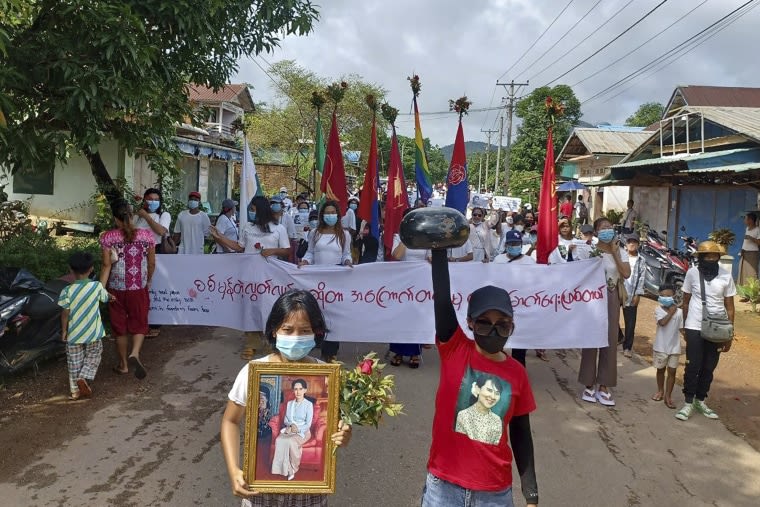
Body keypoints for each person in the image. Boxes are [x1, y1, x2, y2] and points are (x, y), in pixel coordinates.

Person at [423, 247, 538, 507]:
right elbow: (441, 298)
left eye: (503, 323)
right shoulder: (454, 349)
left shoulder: (517, 373)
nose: (494, 330)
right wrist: (440, 248)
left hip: (494, 494)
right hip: (444, 488)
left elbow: (521, 434)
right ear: (470, 323)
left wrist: (531, 494)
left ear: (512, 327)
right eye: (485, 321)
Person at [220, 290, 352, 507]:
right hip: (259, 493)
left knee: (289, 440)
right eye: (288, 330)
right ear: (274, 331)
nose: (295, 337)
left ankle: (291, 471)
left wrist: (343, 435)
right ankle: (279, 472)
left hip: (309, 495)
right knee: (283, 439)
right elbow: (230, 420)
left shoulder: (327, 375)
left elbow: (330, 426)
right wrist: (234, 470)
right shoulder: (253, 372)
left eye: (304, 331)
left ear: (316, 332)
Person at [210, 196, 291, 359]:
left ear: (261, 210)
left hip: (270, 278)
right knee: (250, 309)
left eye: (253, 210)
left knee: (269, 309)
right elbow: (239, 247)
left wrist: (272, 251)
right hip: (249, 276)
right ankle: (251, 343)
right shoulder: (247, 227)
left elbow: (287, 250)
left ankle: (271, 343)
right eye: (250, 210)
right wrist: (219, 237)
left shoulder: (278, 228)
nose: (250, 213)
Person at [676, 240, 736, 421]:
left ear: (718, 258)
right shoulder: (692, 273)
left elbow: (730, 307)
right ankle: (687, 402)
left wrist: (730, 333)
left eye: (714, 256)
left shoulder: (726, 276)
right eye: (707, 256)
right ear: (701, 257)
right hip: (694, 325)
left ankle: (700, 400)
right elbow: (685, 301)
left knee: (709, 366)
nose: (710, 259)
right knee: (692, 365)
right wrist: (685, 325)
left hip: (718, 327)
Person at [100, 200, 156, 379]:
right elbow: (152, 262)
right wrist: (146, 280)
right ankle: (135, 353)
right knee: (139, 321)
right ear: (132, 216)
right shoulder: (147, 236)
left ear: (116, 218)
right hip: (138, 286)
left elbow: (106, 265)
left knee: (119, 326)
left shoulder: (108, 237)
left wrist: (101, 289)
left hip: (116, 288)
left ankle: (123, 365)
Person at [578, 217, 630, 407]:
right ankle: (589, 383)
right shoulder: (589, 251)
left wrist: (615, 253)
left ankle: (604, 386)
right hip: (592, 299)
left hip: (612, 296)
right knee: (591, 339)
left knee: (610, 339)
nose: (607, 230)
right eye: (603, 227)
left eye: (610, 227)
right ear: (596, 231)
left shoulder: (621, 251)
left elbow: (626, 273)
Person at [299, 200, 352, 362]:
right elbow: (310, 253)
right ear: (322, 215)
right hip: (316, 278)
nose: (330, 215)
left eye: (333, 213)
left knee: (333, 315)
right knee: (315, 312)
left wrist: (348, 262)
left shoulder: (344, 235)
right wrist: (305, 262)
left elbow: (346, 254)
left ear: (338, 215)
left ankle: (330, 352)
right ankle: (313, 344)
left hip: (336, 279)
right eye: (327, 213)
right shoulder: (315, 233)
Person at [58, 252, 112, 400]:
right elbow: (106, 298)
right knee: (94, 355)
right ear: (91, 269)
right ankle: (84, 376)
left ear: (70, 270)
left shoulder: (66, 291)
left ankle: (75, 391)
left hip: (74, 333)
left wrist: (64, 330)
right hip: (93, 332)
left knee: (74, 361)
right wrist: (111, 297)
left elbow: (65, 312)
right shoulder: (96, 287)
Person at [390, 209, 429, 369]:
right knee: (401, 316)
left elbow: (429, 257)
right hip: (402, 283)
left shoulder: (426, 236)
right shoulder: (398, 236)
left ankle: (414, 353)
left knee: (416, 316)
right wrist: (406, 237)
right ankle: (398, 352)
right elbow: (397, 255)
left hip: (420, 282)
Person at [271, 378, 314, 481]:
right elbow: (286, 419)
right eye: (295, 389)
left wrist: (296, 429)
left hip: (303, 431)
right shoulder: (290, 403)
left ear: (305, 390)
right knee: (279, 440)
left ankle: (292, 469)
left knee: (290, 441)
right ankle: (282, 469)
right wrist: (291, 426)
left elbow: (308, 424)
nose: (298, 392)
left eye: (300, 389)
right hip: (289, 428)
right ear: (293, 390)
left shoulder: (308, 405)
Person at [652, 284, 683, 410]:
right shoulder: (658, 310)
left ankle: (668, 396)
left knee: (672, 371)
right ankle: (660, 390)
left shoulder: (679, 312)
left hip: (674, 347)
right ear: (659, 296)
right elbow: (662, 323)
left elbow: (682, 329)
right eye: (663, 296)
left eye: (669, 296)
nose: (666, 298)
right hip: (661, 347)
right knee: (660, 370)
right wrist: (671, 312)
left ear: (673, 296)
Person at [454, 374, 505, 445]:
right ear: (478, 389)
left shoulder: (497, 420)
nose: (493, 396)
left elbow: (496, 448)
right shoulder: (463, 415)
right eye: (489, 390)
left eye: (497, 393)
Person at [621, 235, 645, 358]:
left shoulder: (641, 260)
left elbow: (641, 278)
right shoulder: (620, 255)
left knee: (630, 323)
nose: (631, 244)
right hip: (618, 290)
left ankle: (627, 347)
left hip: (631, 294)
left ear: (638, 245)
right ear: (626, 244)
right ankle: (618, 337)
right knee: (611, 316)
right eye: (629, 242)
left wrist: (638, 294)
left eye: (634, 242)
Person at [134, 188, 172, 253]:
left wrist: (146, 216)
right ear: (144, 200)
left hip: (156, 250)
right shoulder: (139, 215)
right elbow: (128, 230)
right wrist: (137, 214)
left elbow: (161, 232)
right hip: (138, 250)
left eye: (156, 200)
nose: (153, 202)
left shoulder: (164, 215)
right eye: (150, 199)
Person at [739, 212, 760, 286]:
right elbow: (745, 242)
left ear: (750, 220)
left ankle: (753, 292)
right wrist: (742, 250)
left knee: (752, 273)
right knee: (744, 272)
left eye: (745, 219)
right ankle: (745, 291)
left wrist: (750, 238)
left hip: (753, 254)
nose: (744, 221)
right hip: (745, 253)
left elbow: (759, 242)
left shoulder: (758, 229)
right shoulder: (747, 228)